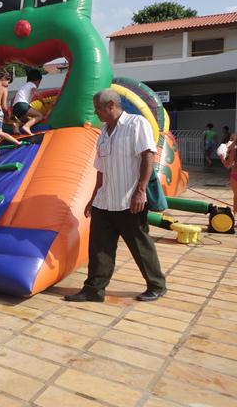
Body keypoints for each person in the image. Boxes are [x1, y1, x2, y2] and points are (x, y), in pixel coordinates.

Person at [64, 88, 166, 303]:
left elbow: (148, 156)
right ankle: (94, 290)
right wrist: (93, 197)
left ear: (111, 105)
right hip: (104, 201)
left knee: (140, 246)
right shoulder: (103, 132)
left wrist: (140, 191)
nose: (95, 112)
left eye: (98, 108)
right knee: (99, 248)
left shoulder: (136, 124)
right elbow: (101, 169)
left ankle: (157, 285)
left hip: (129, 200)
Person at [12, 69, 48, 135]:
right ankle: (26, 127)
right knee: (40, 115)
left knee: (29, 121)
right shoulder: (32, 85)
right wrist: (43, 101)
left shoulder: (24, 86)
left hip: (15, 108)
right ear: (37, 81)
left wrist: (12, 113)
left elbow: (13, 99)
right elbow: (35, 93)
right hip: (22, 105)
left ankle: (17, 125)